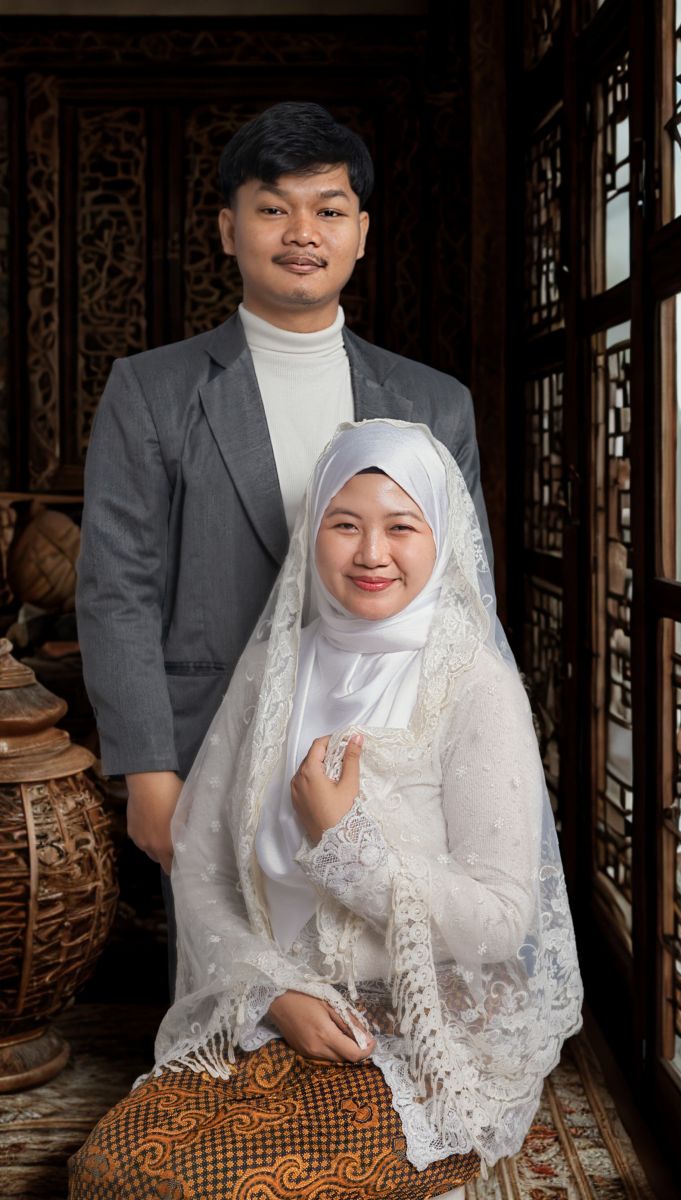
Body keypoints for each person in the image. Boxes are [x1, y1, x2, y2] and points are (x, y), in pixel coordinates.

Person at [68, 419, 583, 1200]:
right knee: (109, 1173)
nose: (372, 553)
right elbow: (202, 867)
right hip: (271, 1013)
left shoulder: (474, 686)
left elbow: (502, 922)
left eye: (401, 527)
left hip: (415, 1039)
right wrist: (274, 994)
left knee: (197, 1192)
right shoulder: (277, 668)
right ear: (314, 531)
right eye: (345, 525)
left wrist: (345, 843)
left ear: (441, 535)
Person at [75, 101, 493, 892]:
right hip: (210, 749)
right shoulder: (152, 392)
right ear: (228, 230)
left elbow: (465, 596)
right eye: (273, 209)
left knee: (388, 954)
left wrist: (468, 758)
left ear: (360, 234)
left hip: (394, 753)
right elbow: (115, 589)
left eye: (328, 211)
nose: (303, 232)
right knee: (234, 966)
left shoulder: (435, 404)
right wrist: (147, 768)